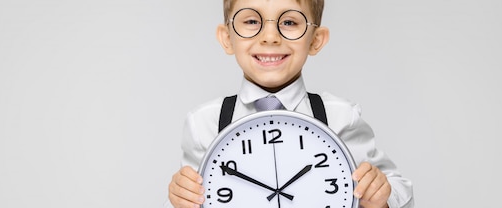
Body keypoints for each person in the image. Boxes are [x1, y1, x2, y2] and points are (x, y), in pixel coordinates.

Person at [167, 0, 414, 207]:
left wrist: (383, 196)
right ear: (227, 38)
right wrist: (180, 197)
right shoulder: (204, 123)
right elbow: (191, 197)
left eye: (289, 22)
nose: (270, 37)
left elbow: (400, 189)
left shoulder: (340, 116)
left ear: (316, 40)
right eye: (252, 21)